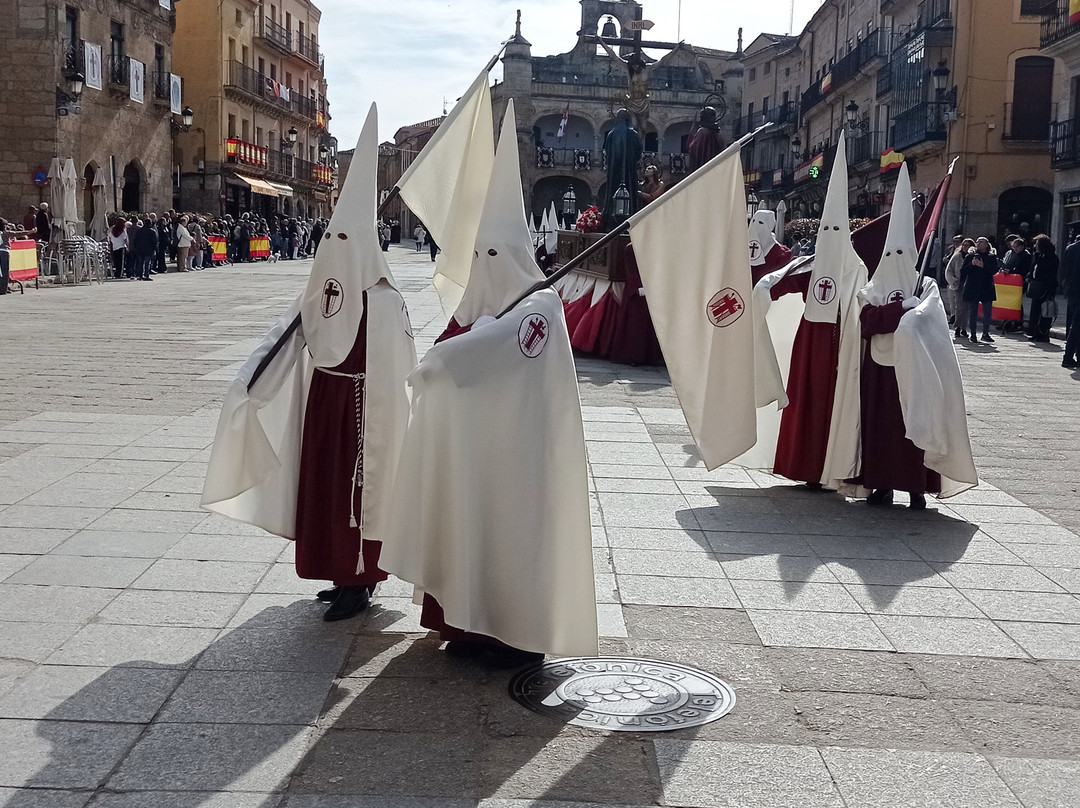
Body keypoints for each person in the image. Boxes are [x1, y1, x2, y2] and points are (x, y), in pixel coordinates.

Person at [380, 100, 597, 665]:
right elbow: (449, 346)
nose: (485, 262)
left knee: (510, 540)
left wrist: (452, 355)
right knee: (468, 528)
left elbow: (490, 352)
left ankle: (515, 632)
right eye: (478, 253)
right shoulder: (481, 301)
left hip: (521, 459)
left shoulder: (542, 305)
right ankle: (464, 624)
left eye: (494, 253)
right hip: (474, 456)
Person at [202, 103, 416, 624]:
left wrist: (385, 425)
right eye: (329, 241)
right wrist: (251, 386)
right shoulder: (320, 284)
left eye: (343, 241)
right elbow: (288, 334)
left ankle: (359, 577)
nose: (333, 249)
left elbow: (398, 369)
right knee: (322, 490)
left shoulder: (386, 298)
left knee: (356, 495)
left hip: (364, 416)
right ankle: (334, 570)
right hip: (325, 403)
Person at [771, 131, 867, 492]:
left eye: (835, 228)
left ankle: (834, 467)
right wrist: (763, 289)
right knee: (806, 406)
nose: (829, 233)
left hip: (842, 350)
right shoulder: (810, 266)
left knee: (836, 406)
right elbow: (782, 284)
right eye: (825, 227)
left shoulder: (856, 270)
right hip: (809, 347)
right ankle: (805, 466)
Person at [852, 164, 940, 509]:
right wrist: (901, 309)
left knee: (912, 426)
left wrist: (916, 310)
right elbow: (867, 321)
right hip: (880, 370)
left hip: (913, 371)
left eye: (902, 253)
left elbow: (931, 324)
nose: (895, 258)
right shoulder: (874, 287)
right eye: (891, 253)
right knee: (880, 430)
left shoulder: (926, 286)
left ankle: (915, 487)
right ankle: (881, 485)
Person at [600, 108, 643, 223]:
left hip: (613, 172)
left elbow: (607, 153)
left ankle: (609, 218)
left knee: (612, 192)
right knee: (629, 193)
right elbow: (639, 151)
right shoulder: (633, 134)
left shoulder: (610, 135)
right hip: (629, 171)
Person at [960, 237, 998, 343]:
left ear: (986, 244)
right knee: (973, 312)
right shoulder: (970, 256)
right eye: (977, 242)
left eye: (981, 242)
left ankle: (986, 333)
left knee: (987, 312)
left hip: (986, 287)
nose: (978, 243)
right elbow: (963, 271)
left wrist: (983, 266)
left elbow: (994, 270)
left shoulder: (991, 257)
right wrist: (972, 264)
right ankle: (973, 334)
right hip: (973, 287)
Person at [1026, 234, 1059, 342]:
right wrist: (1030, 276)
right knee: (1035, 310)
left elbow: (1051, 274)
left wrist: (1049, 289)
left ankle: (1043, 333)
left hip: (1046, 286)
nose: (1035, 246)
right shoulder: (1038, 256)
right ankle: (1034, 332)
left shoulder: (1052, 257)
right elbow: (1033, 269)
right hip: (1036, 286)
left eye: (1037, 244)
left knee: (1045, 311)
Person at [945, 237, 974, 337]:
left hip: (970, 285)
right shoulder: (957, 256)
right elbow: (949, 270)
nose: (965, 247)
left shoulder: (974, 256)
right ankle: (957, 327)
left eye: (968, 245)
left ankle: (964, 328)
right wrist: (953, 280)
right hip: (959, 285)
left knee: (966, 308)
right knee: (959, 307)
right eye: (964, 245)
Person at [687, 106, 724, 172]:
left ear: (705, 118)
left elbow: (693, 149)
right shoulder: (718, 133)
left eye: (701, 117)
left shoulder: (702, 132)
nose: (700, 119)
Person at [1063, 231, 1080, 368]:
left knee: (1076, 324)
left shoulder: (1070, 248)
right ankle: (1068, 356)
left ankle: (1074, 356)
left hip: (1072, 291)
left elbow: (1064, 270)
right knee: (1076, 325)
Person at [0, 218, 11, 295]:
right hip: (4, 252)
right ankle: (3, 289)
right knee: (5, 272)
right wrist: (31, 231)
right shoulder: (5, 233)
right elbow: (18, 233)